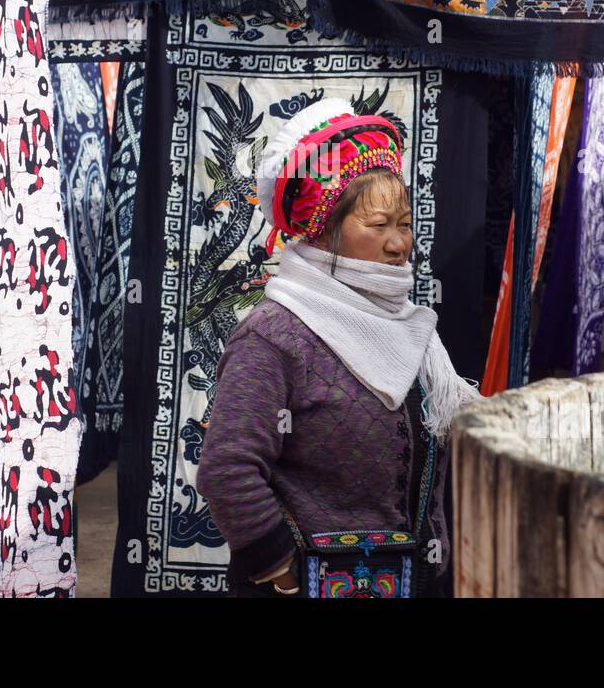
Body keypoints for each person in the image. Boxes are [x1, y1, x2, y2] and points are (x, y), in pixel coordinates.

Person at [196, 98, 481, 598]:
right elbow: (228, 470)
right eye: (377, 226)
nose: (399, 243)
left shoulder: (409, 328)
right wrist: (283, 575)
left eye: (405, 223)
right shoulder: (273, 337)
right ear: (326, 230)